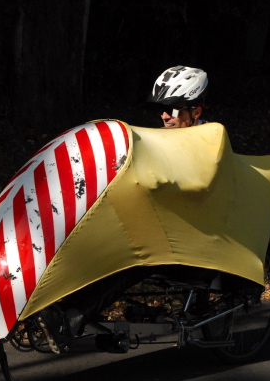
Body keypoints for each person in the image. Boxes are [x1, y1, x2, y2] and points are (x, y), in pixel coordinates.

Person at [34, 65, 213, 354]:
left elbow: (195, 187)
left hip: (192, 242)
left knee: (132, 259)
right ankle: (55, 303)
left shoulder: (209, 142)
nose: (165, 115)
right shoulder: (166, 138)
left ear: (197, 110)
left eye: (174, 109)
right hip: (162, 231)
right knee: (94, 238)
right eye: (162, 109)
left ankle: (72, 318)